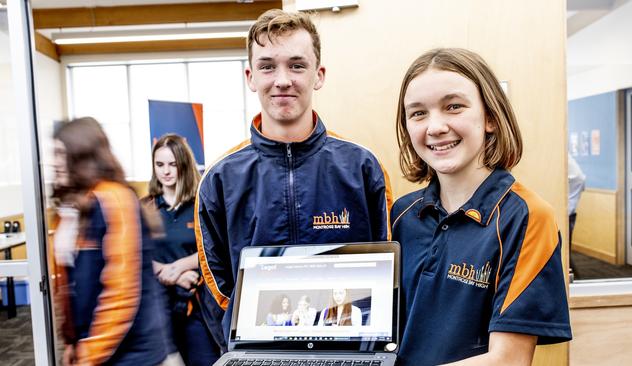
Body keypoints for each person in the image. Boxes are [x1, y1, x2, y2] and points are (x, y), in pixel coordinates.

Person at [195, 9, 392, 350]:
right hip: (258, 351)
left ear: (319, 75)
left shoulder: (362, 167)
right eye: (267, 66)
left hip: (348, 351)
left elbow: (387, 265)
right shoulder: (219, 178)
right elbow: (219, 284)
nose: (282, 79)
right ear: (250, 76)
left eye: (296, 65)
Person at [390, 48, 572, 365]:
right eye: (418, 113)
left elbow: (509, 360)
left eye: (454, 107)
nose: (434, 127)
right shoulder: (402, 215)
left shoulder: (527, 216)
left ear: (489, 117)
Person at [51, 117, 166, 366]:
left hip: (132, 353)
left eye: (61, 154)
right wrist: (73, 341)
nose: (54, 162)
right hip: (96, 348)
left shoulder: (115, 199)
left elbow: (121, 292)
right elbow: (71, 285)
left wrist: (90, 354)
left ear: (81, 155)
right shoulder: (72, 208)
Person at [143, 134, 221, 365]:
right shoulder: (145, 207)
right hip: (159, 307)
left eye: (172, 164)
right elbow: (137, 253)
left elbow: (214, 249)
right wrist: (172, 275)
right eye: (159, 165)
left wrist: (181, 267)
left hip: (197, 305)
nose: (165, 171)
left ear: (184, 165)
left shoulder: (202, 203)